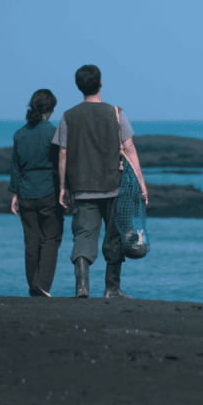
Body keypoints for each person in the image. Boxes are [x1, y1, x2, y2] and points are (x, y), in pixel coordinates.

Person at [53, 64, 148, 299]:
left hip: (82, 187)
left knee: (83, 235)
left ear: (78, 87)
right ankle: (112, 289)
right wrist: (142, 184)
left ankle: (82, 287)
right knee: (114, 235)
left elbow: (63, 153)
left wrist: (63, 187)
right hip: (114, 186)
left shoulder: (68, 116)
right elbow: (129, 148)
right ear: (101, 83)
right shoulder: (117, 113)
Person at [9, 89, 63, 297]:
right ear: (49, 109)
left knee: (30, 240)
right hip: (48, 189)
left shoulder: (19, 134)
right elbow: (62, 163)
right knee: (51, 237)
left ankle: (33, 283)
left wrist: (14, 194)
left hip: (25, 191)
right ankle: (41, 284)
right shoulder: (53, 133)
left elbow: (15, 167)